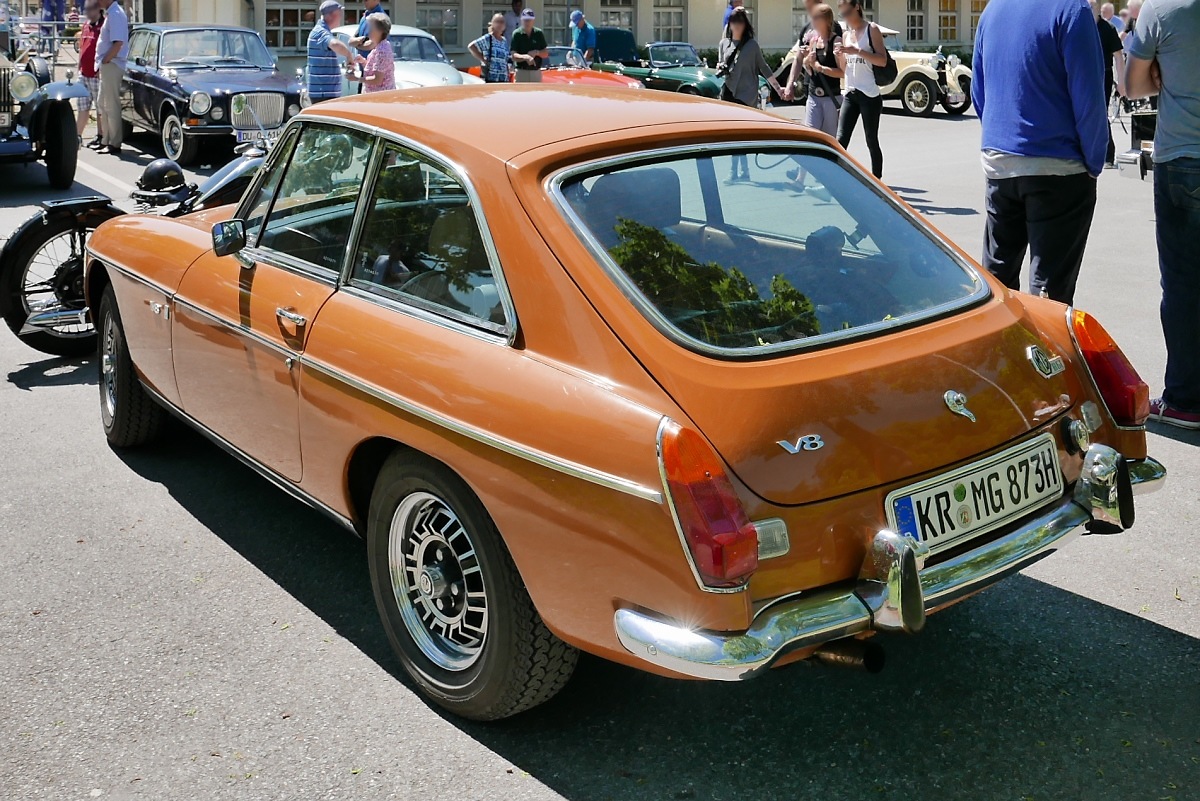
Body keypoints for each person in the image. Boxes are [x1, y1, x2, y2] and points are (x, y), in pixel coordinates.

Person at [972, 0, 1107, 305]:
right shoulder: (1071, 10)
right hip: (1057, 165)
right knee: (1049, 293)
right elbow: (1089, 96)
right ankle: (1046, 349)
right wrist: (1094, 160)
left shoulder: (993, 10)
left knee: (997, 281)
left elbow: (979, 93)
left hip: (1000, 161)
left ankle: (998, 349)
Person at [1125, 0, 1200, 429]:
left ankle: (1187, 399)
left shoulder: (1162, 9)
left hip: (1184, 158)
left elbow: (1133, 87)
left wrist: (1163, 75)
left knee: (1184, 284)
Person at [716, 7, 785, 182]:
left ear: (746, 25)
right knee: (731, 136)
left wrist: (778, 89)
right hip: (729, 92)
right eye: (733, 22)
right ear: (729, 24)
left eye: (740, 22)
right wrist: (720, 67)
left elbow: (764, 67)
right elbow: (720, 64)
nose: (737, 25)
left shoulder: (752, 45)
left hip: (746, 95)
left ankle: (744, 172)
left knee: (742, 135)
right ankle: (734, 172)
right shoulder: (724, 44)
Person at [835, 0, 887, 178]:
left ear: (857, 7)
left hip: (869, 94)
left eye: (848, 12)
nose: (846, 17)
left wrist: (857, 51)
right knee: (840, 140)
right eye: (842, 14)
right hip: (850, 93)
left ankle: (877, 181)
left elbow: (882, 60)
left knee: (871, 140)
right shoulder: (846, 35)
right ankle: (834, 178)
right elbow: (844, 68)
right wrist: (841, 55)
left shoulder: (871, 29)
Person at [783, 0, 843, 102]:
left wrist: (818, 65)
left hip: (829, 87)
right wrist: (790, 83)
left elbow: (837, 59)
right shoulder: (806, 28)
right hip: (810, 84)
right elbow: (798, 58)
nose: (809, 10)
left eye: (811, 6)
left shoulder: (834, 27)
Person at [1091, 0, 1125, 164]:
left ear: (1097, 9)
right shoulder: (1081, 27)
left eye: (1091, 7)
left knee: (1101, 115)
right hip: (1085, 75)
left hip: (1103, 75)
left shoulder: (1107, 28)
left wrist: (1121, 82)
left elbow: (1118, 56)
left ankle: (1108, 155)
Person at [95, 0, 128, 156]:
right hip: (107, 64)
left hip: (113, 64)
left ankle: (114, 143)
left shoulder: (115, 14)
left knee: (111, 104)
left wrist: (106, 59)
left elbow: (118, 43)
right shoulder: (111, 13)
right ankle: (105, 140)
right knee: (103, 103)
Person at [307, 0, 355, 103]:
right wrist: (349, 55)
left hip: (326, 93)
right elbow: (334, 44)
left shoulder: (322, 31)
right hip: (323, 93)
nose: (341, 17)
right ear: (331, 15)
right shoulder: (321, 32)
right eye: (339, 14)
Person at [77, 0, 103, 148]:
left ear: (98, 10)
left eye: (89, 9)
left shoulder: (103, 26)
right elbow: (82, 45)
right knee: (82, 106)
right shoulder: (86, 25)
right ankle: (77, 136)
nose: (87, 12)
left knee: (100, 108)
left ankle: (101, 135)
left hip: (96, 74)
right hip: (84, 73)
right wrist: (79, 64)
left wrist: (101, 68)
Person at [348, 12, 394, 92]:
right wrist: (363, 62)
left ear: (379, 31)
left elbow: (377, 79)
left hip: (381, 98)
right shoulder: (380, 46)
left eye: (371, 28)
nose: (368, 31)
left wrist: (357, 78)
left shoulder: (382, 50)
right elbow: (376, 69)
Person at [469, 14, 511, 83]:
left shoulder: (504, 40)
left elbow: (506, 58)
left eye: (502, 22)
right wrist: (483, 59)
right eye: (498, 22)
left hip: (503, 78)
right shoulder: (488, 38)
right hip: (490, 78)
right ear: (493, 24)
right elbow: (471, 46)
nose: (500, 24)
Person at [510, 8, 548, 83]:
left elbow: (546, 53)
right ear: (521, 20)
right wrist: (525, 57)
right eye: (525, 20)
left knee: (536, 94)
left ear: (533, 21)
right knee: (521, 94)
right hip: (521, 71)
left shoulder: (538, 33)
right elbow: (513, 55)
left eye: (529, 20)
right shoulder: (517, 34)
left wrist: (537, 52)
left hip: (535, 71)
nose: (527, 22)